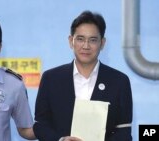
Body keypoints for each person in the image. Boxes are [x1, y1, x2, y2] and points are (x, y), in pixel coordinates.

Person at [33, 10, 133, 141]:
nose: (86, 46)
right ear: (71, 41)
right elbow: (41, 126)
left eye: (93, 40)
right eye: (80, 39)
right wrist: (61, 140)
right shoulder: (51, 78)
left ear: (102, 43)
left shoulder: (119, 81)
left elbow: (124, 132)